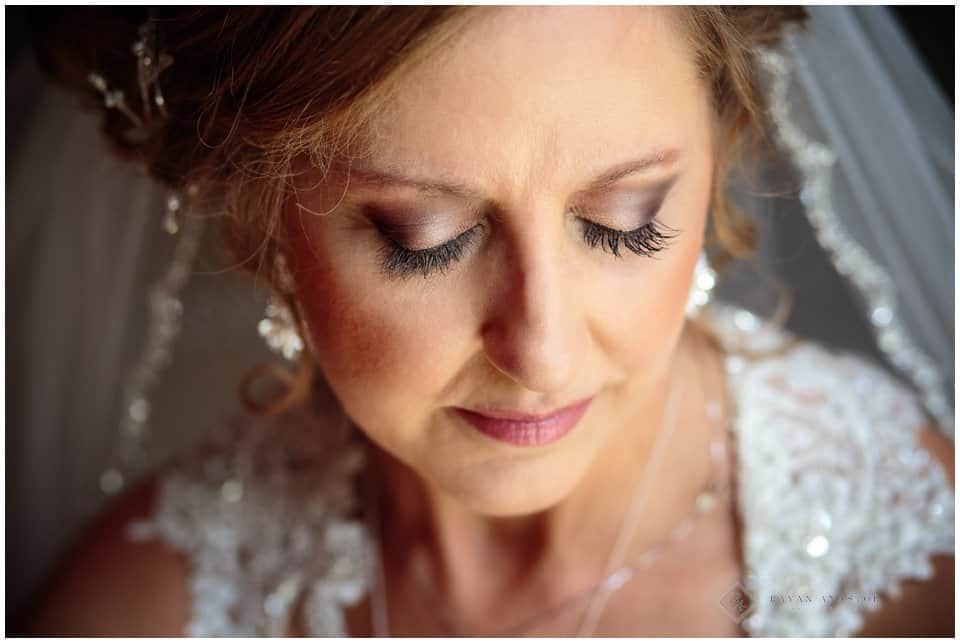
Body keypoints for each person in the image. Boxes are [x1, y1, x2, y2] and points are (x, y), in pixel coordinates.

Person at [16, 6, 955, 636]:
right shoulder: (147, 609)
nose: (539, 351)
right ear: (262, 219)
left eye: (622, 221)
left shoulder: (917, 575)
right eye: (426, 241)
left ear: (719, 158)